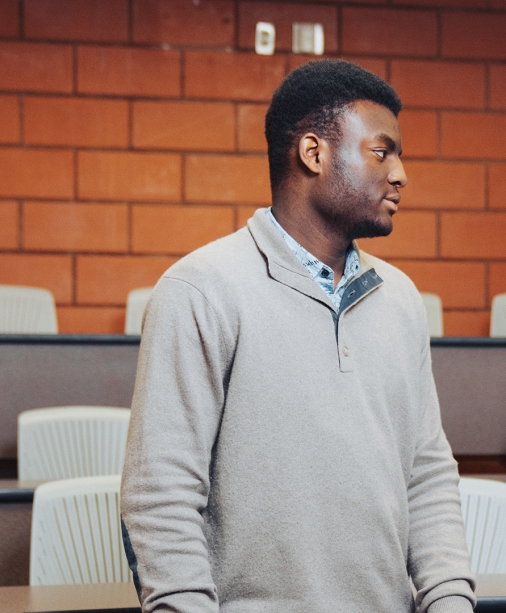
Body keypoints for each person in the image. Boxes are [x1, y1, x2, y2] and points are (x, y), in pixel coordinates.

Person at [120, 60, 475, 613]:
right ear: (313, 153)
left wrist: (451, 602)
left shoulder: (402, 300)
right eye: (382, 152)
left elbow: (427, 476)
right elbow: (159, 497)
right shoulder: (200, 291)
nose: (401, 174)